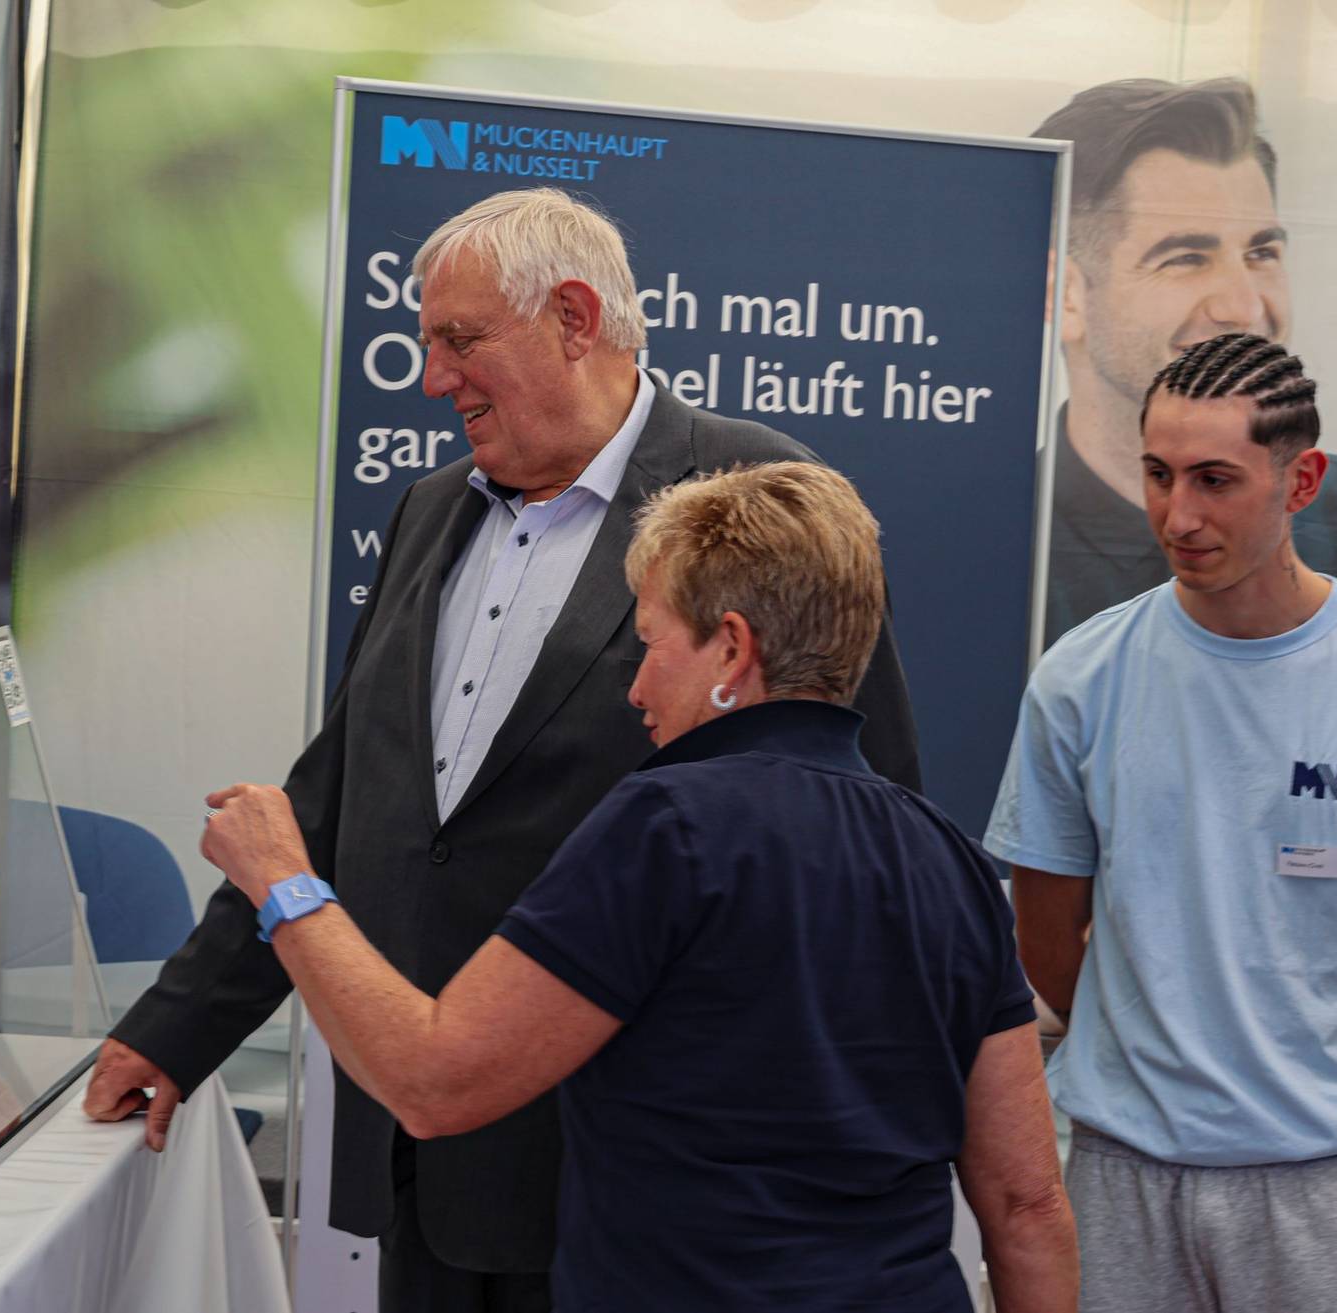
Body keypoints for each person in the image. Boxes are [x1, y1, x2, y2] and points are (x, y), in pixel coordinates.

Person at [85, 187, 924, 1308]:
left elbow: (865, 813)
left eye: (460, 339)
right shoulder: (430, 510)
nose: (434, 378)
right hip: (418, 1152)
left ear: (574, 317)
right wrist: (179, 1026)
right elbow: (338, 794)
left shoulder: (753, 501)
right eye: (428, 343)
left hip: (631, 1177)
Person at [199, 461, 1075, 1312]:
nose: (636, 685)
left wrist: (284, 883)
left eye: (651, 644)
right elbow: (1027, 1204)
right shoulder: (953, 863)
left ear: (731, 647)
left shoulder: (665, 829)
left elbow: (435, 1081)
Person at [988, 333, 1337, 1312]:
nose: (1178, 514)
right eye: (1158, 474)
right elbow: (1044, 935)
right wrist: (1161, 1055)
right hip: (1126, 1176)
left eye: (1214, 479)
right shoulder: (1080, 679)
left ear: (1302, 481)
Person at [1035, 78, 1337, 646]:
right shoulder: (983, 540)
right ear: (1065, 295)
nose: (1247, 307)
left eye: (1261, 253)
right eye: (1185, 258)